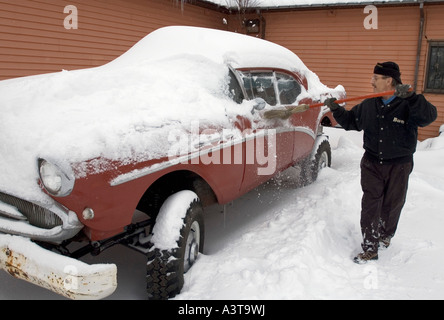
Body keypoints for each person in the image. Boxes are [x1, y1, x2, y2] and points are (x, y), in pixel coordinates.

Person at [324, 61, 437, 264]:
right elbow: (352, 121)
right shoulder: (369, 104)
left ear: (389, 81)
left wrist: (412, 97)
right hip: (372, 163)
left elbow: (429, 116)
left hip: (399, 165)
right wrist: (336, 110)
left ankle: (385, 234)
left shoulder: (407, 105)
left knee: (393, 205)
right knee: (370, 204)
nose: (372, 82)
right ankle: (370, 247)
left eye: (376, 78)